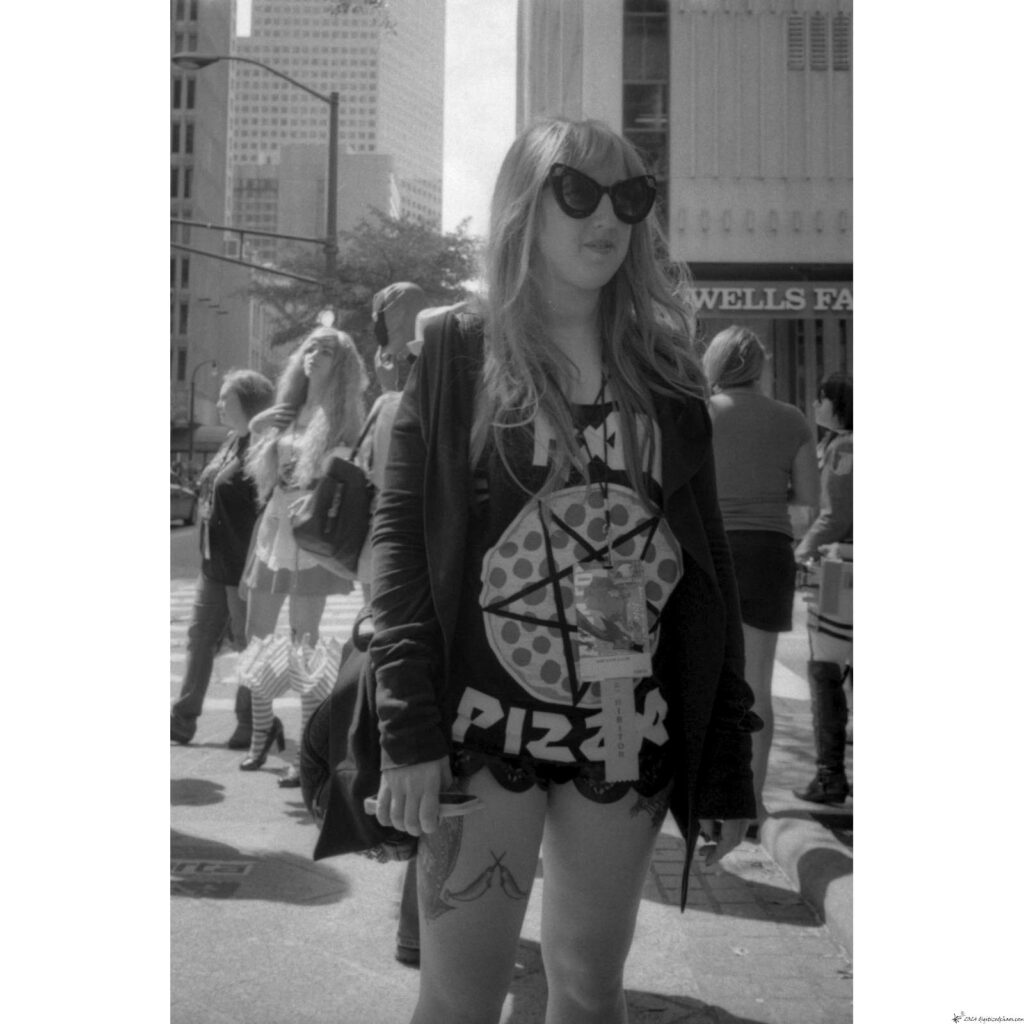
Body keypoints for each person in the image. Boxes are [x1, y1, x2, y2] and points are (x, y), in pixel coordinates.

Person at [368, 118, 761, 1024]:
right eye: (577, 192)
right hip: (481, 730)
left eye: (630, 197)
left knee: (588, 985)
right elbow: (399, 546)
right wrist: (406, 729)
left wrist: (727, 760)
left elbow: (709, 573)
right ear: (524, 203)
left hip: (627, 729)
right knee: (460, 999)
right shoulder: (459, 350)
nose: (607, 218)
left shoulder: (666, 371)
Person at [240, 316, 369, 787]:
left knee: (305, 644)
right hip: (273, 532)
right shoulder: (285, 410)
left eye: (326, 350)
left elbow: (354, 472)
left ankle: (305, 752)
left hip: (312, 538)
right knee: (256, 637)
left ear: (342, 364)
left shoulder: (344, 417)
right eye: (310, 349)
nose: (314, 356)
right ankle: (262, 732)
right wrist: (257, 427)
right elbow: (261, 472)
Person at [702, 327, 819, 829]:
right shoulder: (791, 418)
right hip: (767, 552)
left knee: (703, 676)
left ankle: (703, 798)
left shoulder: (699, 413)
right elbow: (808, 497)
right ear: (761, 368)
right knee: (756, 684)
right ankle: (749, 803)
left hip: (708, 549)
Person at [171, 369, 275, 748]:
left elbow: (268, 510)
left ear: (246, 402)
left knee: (247, 644)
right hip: (212, 563)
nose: (218, 404)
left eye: (224, 398)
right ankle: (182, 720)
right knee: (199, 638)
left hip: (243, 565)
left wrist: (254, 567)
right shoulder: (231, 441)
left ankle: (252, 721)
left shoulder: (264, 446)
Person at [792, 372, 853, 804]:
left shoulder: (845, 449)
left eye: (821, 398)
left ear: (838, 404)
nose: (815, 406)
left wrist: (801, 551)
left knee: (825, 664)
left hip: (840, 571)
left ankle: (830, 775)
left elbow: (836, 515)